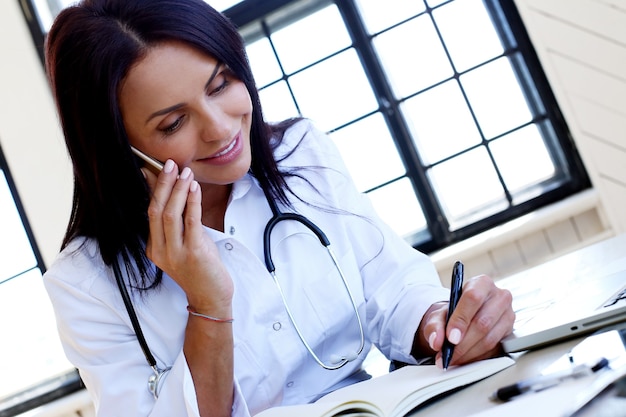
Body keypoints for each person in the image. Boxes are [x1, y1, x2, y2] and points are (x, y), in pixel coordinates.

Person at [42, 0, 515, 416]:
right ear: (119, 148)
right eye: (174, 122)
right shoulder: (84, 284)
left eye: (220, 83)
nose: (221, 128)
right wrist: (207, 304)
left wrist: (439, 323)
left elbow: (389, 284)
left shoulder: (301, 153)